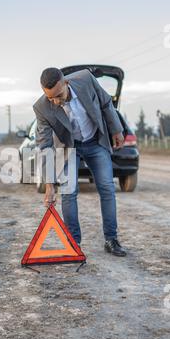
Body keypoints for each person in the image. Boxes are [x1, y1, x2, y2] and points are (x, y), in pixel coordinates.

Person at [33, 67, 127, 256]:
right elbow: (45, 146)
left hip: (95, 141)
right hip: (69, 149)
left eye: (59, 95)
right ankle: (73, 244)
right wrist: (50, 184)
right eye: (51, 98)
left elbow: (105, 102)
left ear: (66, 82)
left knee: (107, 187)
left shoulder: (85, 79)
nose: (56, 102)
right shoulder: (41, 107)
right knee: (69, 192)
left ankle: (111, 239)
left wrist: (116, 130)